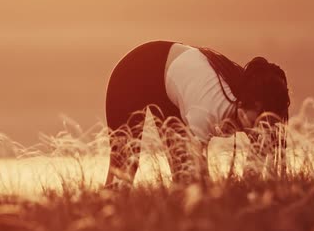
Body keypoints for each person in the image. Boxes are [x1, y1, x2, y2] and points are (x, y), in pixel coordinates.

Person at [104, 41, 290, 187]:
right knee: (126, 167)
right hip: (136, 72)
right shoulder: (209, 110)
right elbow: (198, 173)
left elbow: (253, 179)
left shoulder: (255, 101)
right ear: (244, 106)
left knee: (181, 179)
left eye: (265, 122)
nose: (258, 128)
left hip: (172, 81)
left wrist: (259, 149)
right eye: (256, 121)